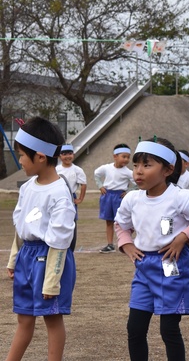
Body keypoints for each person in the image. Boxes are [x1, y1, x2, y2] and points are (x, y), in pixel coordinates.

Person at [114, 137, 189, 361]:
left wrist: (183, 237)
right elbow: (121, 224)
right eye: (136, 165)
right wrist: (127, 244)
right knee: (135, 328)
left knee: (168, 329)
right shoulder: (132, 199)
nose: (138, 172)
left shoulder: (181, 197)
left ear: (168, 169)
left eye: (147, 165)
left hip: (171, 266)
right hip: (144, 268)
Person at [5, 117, 76, 361]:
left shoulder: (59, 193)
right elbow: (21, 228)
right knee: (24, 317)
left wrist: (51, 281)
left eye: (22, 155)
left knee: (52, 317)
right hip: (27, 258)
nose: (19, 161)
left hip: (50, 261)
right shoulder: (27, 188)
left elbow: (60, 241)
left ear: (41, 157)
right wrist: (14, 260)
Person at [94, 143, 134, 253]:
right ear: (115, 156)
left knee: (122, 221)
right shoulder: (106, 168)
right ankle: (110, 245)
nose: (126, 159)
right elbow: (96, 174)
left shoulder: (128, 172)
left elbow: (136, 182)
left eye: (128, 157)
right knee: (109, 221)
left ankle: (125, 242)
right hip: (107, 196)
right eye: (123, 156)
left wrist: (128, 192)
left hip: (119, 197)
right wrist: (100, 186)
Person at [56, 143, 87, 251]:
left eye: (69, 153)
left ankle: (71, 247)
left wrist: (80, 199)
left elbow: (83, 184)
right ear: (60, 156)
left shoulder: (77, 170)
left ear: (73, 155)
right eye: (64, 154)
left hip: (71, 198)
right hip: (58, 198)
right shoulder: (56, 169)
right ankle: (58, 244)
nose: (67, 156)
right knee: (58, 220)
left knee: (71, 221)